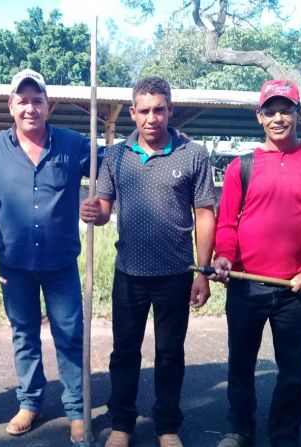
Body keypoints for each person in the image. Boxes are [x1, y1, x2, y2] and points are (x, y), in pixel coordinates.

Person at [0, 69, 92, 442]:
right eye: (22, 101)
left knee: (70, 335)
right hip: (15, 265)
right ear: (11, 106)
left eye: (37, 100)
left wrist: (168, 139)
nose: (30, 108)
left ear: (49, 105)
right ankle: (30, 402)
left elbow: (117, 161)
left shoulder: (74, 144)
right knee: (24, 334)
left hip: (61, 264)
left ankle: (77, 409)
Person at [80, 76, 216, 447]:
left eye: (160, 109)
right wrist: (94, 210)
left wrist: (203, 271)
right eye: (144, 110)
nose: (152, 118)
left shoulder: (193, 154)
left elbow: (205, 213)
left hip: (176, 274)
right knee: (124, 352)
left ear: (171, 110)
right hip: (129, 274)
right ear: (132, 112)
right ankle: (122, 423)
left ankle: (166, 425)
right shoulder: (116, 156)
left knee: (170, 352)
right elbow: (105, 209)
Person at [210, 79, 301, 447]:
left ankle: (285, 435)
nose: (279, 118)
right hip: (245, 285)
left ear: (299, 115)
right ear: (259, 116)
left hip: (295, 290)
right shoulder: (242, 167)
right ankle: (240, 429)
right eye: (271, 111)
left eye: (286, 110)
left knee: (293, 373)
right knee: (240, 366)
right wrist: (222, 256)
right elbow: (228, 222)